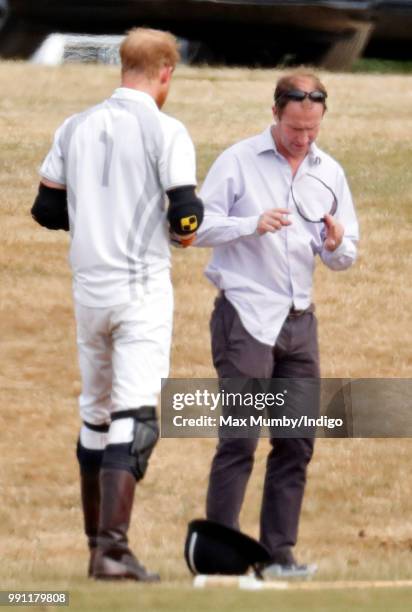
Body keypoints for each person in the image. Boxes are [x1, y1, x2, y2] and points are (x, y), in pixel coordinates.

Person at [31, 27, 203, 581]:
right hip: (140, 290)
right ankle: (112, 548)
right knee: (135, 417)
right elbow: (184, 215)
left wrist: (95, 218)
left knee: (95, 413)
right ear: (165, 73)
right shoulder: (166, 128)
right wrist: (180, 230)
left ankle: (95, 547)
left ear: (121, 65)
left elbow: (45, 209)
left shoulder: (74, 125)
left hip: (89, 292)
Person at [193, 71, 359, 577]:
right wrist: (250, 224)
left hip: (299, 323)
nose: (303, 139)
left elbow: (346, 254)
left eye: (312, 130)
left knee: (295, 442)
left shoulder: (328, 171)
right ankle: (221, 560)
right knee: (240, 437)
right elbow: (193, 227)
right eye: (294, 129)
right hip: (245, 317)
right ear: (275, 113)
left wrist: (335, 246)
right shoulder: (238, 161)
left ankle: (278, 557)